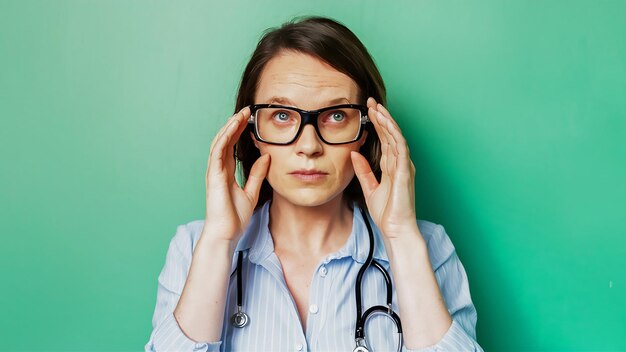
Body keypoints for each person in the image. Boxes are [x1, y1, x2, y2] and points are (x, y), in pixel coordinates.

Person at [145, 16, 483, 352]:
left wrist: (400, 237)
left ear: (367, 131)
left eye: (336, 116)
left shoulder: (427, 246)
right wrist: (220, 240)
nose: (308, 146)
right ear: (250, 130)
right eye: (281, 115)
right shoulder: (194, 248)